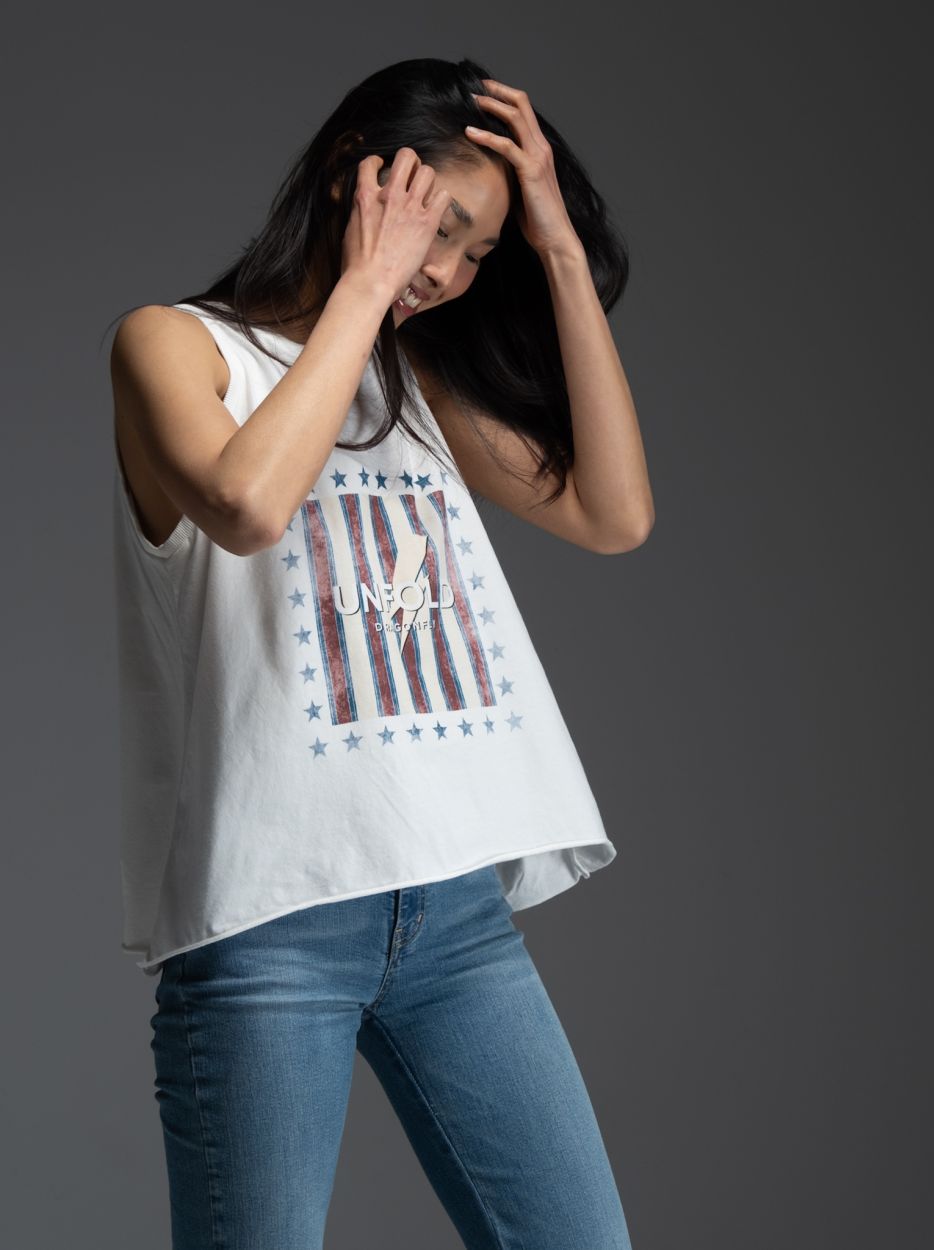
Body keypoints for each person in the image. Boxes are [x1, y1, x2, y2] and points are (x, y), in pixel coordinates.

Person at [108, 55, 652, 1250]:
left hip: (451, 915)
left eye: (478, 253)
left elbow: (613, 514)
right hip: (269, 923)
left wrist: (558, 252)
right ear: (356, 177)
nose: (447, 272)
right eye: (440, 226)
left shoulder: (416, 386)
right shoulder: (173, 347)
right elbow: (247, 504)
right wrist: (365, 283)